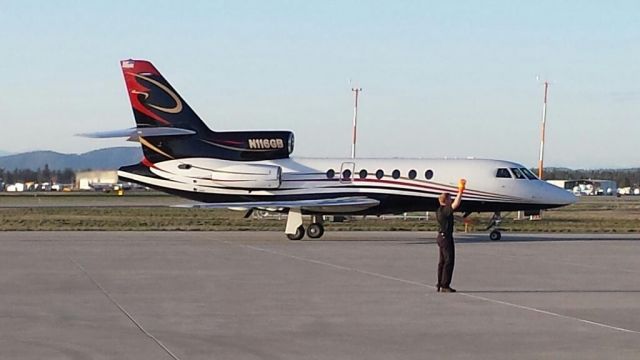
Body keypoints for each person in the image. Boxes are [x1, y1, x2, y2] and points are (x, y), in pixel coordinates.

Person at [435, 179, 466, 293]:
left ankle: (440, 283)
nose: (451, 200)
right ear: (446, 200)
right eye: (450, 198)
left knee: (442, 261)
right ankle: (445, 285)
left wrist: (463, 220)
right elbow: (456, 205)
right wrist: (461, 191)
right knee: (449, 261)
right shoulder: (446, 209)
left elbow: (452, 215)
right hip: (446, 238)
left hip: (441, 237)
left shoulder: (440, 210)